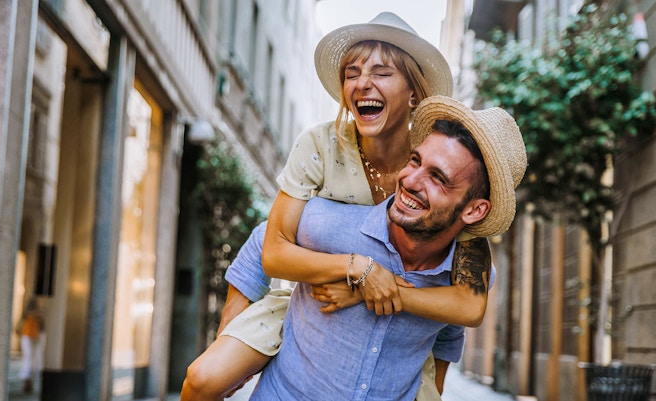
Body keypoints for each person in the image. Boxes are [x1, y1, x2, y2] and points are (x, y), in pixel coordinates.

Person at [181, 13, 491, 401]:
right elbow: (270, 244)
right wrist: (356, 269)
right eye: (352, 72)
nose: (362, 83)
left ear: (413, 93)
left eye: (380, 72)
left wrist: (363, 289)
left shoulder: (432, 160)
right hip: (310, 298)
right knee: (205, 378)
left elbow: (463, 305)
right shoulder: (320, 146)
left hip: (399, 335)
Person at [248, 95, 527, 399]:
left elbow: (449, 332)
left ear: (474, 211)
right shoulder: (327, 220)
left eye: (438, 178)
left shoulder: (467, 276)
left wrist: (364, 289)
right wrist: (227, 351)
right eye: (415, 161)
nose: (410, 180)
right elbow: (263, 243)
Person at [17, 297, 45, 393]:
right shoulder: (35, 313)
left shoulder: (30, 312)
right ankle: (28, 379)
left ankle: (28, 378)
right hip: (30, 334)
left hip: (33, 334)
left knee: (32, 358)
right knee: (31, 357)